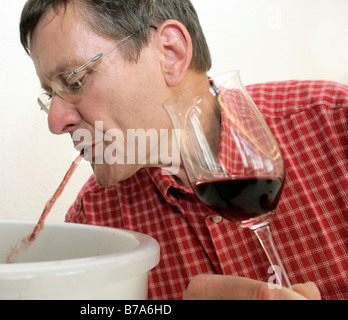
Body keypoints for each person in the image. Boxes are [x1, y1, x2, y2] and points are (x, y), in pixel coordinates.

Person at [19, 0, 347, 300]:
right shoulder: (93, 222)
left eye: (74, 81)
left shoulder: (337, 122)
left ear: (170, 53)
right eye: (50, 94)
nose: (56, 121)